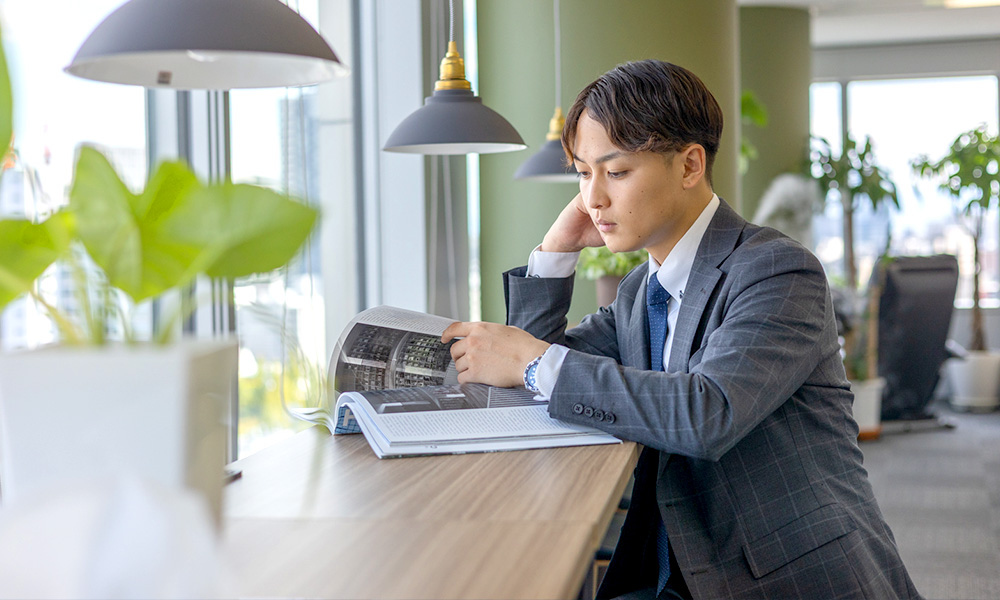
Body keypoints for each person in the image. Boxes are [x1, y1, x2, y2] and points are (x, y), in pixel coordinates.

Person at [441, 60, 921, 600]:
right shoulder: (639, 293)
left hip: (785, 576)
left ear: (690, 165)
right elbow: (532, 375)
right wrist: (554, 254)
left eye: (615, 172)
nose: (593, 199)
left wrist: (532, 362)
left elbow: (706, 412)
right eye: (582, 173)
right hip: (680, 567)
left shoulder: (778, 271)